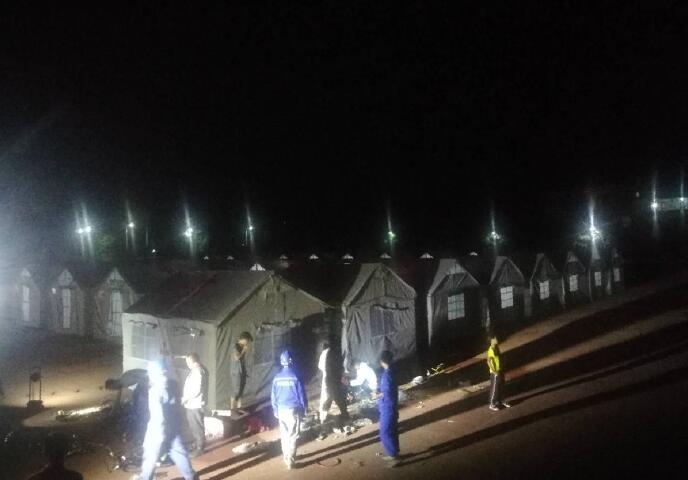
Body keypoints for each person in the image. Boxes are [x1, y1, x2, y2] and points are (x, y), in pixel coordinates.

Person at [132, 359, 199, 480]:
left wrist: (159, 435)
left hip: (158, 430)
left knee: (150, 457)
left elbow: (158, 416)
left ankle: (145, 478)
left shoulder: (155, 391)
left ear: (153, 374)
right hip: (172, 428)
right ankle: (191, 477)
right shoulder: (171, 385)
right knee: (179, 454)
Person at [271, 350, 307, 470]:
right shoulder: (295, 376)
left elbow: (273, 396)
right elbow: (301, 395)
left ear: (281, 362)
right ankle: (290, 460)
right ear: (291, 361)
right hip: (293, 409)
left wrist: (275, 409)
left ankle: (286, 456)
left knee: (284, 434)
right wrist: (304, 408)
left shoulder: (276, 378)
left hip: (281, 410)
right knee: (293, 435)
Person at [375, 350, 399, 467]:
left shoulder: (387, 375)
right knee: (392, 430)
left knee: (385, 432)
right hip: (391, 406)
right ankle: (394, 453)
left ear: (382, 361)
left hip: (387, 407)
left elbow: (387, 393)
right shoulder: (391, 372)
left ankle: (394, 456)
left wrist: (377, 395)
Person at [317, 341, 349, 429]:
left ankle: (322, 418)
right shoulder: (334, 352)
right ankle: (345, 416)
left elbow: (319, 366)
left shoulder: (324, 353)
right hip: (334, 378)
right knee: (337, 398)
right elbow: (340, 366)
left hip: (327, 378)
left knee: (327, 398)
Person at [182, 353, 208, 457]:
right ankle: (197, 443)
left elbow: (197, 390)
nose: (187, 364)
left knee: (197, 426)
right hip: (192, 404)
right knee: (194, 425)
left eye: (188, 362)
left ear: (193, 361)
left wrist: (186, 398)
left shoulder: (198, 372)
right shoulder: (196, 370)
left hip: (195, 404)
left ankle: (200, 447)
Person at [487, 337, 511, 411]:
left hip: (500, 370)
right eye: (495, 339)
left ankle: (501, 401)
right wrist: (494, 371)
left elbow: (499, 358)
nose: (496, 340)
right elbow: (488, 361)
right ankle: (492, 404)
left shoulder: (496, 348)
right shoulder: (491, 350)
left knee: (501, 385)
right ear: (491, 341)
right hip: (495, 372)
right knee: (495, 388)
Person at [230, 332, 253, 410]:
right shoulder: (235, 347)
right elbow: (237, 358)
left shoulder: (241, 346)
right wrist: (244, 350)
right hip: (236, 373)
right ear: (244, 339)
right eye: (248, 341)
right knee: (235, 391)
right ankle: (232, 409)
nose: (248, 343)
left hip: (242, 372)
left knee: (241, 391)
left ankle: (239, 408)